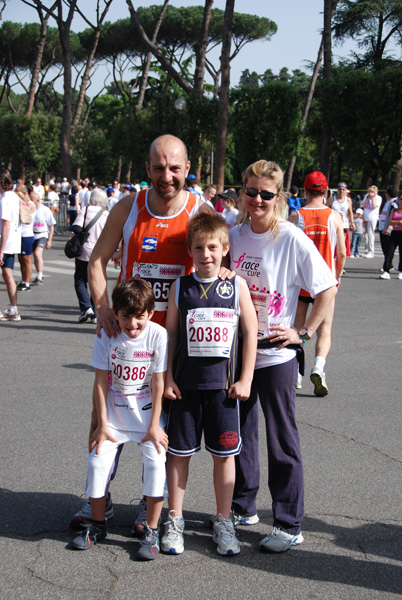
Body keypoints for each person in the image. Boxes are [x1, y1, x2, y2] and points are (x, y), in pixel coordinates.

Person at [70, 134, 213, 531]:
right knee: (104, 418)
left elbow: (222, 264)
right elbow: (96, 261)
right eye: (158, 167)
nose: (166, 176)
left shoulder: (199, 210)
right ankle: (97, 496)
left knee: (163, 428)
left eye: (174, 168)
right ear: (147, 168)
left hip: (176, 341)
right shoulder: (128, 207)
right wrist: (102, 308)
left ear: (187, 169)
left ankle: (153, 508)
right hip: (127, 335)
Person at [228, 160, 337, 553]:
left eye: (266, 194)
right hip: (239, 352)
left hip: (276, 355)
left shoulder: (291, 238)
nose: (257, 199)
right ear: (243, 190)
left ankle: (289, 523)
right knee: (238, 434)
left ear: (279, 197)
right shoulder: (233, 233)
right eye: (251, 191)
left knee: (281, 439)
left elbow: (327, 288)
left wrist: (302, 333)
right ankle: (243, 507)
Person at [161, 211, 257, 556]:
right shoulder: (180, 287)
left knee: (224, 457)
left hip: (224, 390)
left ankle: (223, 519)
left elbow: (250, 332)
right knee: (179, 454)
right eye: (199, 248)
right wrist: (168, 377)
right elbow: (170, 335)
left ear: (225, 248)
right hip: (185, 388)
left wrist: (246, 378)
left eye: (213, 247)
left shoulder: (236, 286)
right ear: (190, 250)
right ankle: (174, 519)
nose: (206, 255)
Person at [71, 278, 169, 561]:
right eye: (126, 316)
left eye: (140, 317)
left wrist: (154, 425)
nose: (133, 324)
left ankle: (151, 530)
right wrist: (102, 426)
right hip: (114, 418)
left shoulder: (158, 335)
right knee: (97, 460)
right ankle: (98, 524)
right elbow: (101, 382)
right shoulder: (106, 335)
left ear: (150, 313)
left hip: (146, 419)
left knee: (155, 463)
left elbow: (158, 383)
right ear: (115, 313)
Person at [289, 171, 346, 396]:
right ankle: (318, 368)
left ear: (305, 191)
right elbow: (341, 252)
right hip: (325, 283)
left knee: (298, 329)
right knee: (325, 329)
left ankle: (296, 374)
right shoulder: (335, 216)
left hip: (302, 282)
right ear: (325, 191)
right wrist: (337, 276)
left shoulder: (297, 216)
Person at [71, 188, 109, 323]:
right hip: (99, 252)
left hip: (84, 251)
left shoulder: (85, 211)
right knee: (96, 280)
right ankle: (95, 312)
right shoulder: (106, 214)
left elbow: (76, 227)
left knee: (80, 279)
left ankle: (86, 307)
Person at [0, 167, 22, 322]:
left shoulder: (4, 199)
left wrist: (1, 250)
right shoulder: (15, 197)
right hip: (13, 240)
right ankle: (13, 308)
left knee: (7, 275)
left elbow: (5, 225)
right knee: (8, 274)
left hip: (4, 240)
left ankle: (13, 309)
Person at [31, 190, 56, 286]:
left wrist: (49, 240)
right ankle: (38, 274)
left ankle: (40, 276)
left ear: (37, 200)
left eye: (32, 199)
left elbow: (51, 225)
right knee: (35, 256)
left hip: (42, 234)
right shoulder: (31, 210)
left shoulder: (45, 210)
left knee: (37, 253)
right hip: (32, 234)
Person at [16, 186, 36, 292]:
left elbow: (26, 211)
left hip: (27, 235)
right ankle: (23, 281)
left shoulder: (31, 205)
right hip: (19, 235)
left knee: (27, 260)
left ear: (24, 194)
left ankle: (27, 283)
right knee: (21, 260)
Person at [329, 182, 355, 259]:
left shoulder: (348, 200)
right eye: (340, 189)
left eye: (343, 189)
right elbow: (325, 208)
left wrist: (352, 222)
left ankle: (339, 264)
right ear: (337, 190)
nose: (341, 191)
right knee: (333, 243)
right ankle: (332, 261)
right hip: (333, 224)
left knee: (341, 244)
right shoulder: (332, 198)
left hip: (343, 224)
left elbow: (350, 212)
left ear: (346, 190)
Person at [382, 192, 402, 280]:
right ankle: (386, 270)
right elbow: (390, 222)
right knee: (389, 252)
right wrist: (399, 223)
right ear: (398, 200)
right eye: (401, 199)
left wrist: (396, 223)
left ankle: (401, 271)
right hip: (394, 232)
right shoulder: (394, 210)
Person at [378, 185, 398, 274]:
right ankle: (388, 264)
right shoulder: (388, 202)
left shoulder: (393, 203)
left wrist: (388, 227)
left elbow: (391, 216)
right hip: (382, 227)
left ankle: (388, 265)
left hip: (387, 229)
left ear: (388, 194)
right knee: (385, 248)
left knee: (387, 249)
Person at [361, 185, 381, 257]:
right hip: (365, 217)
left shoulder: (378, 198)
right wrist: (367, 198)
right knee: (366, 234)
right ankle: (366, 250)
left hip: (372, 218)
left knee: (370, 234)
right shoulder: (366, 196)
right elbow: (362, 205)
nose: (370, 193)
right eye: (369, 191)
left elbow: (374, 207)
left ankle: (371, 251)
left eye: (372, 192)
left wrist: (372, 199)